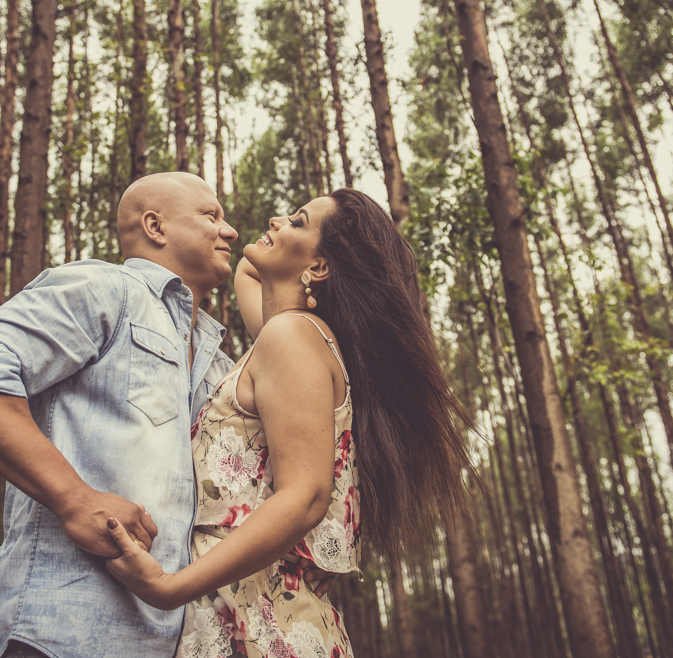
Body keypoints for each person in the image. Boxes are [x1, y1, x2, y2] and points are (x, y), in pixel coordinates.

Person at [104, 188, 471, 658]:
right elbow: (247, 269)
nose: (277, 220)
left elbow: (306, 496)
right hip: (264, 613)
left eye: (297, 221)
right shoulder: (290, 336)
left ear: (319, 266)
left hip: (260, 622)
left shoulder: (290, 336)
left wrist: (168, 587)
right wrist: (275, 256)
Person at [0, 172, 246, 658]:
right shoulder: (106, 288)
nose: (230, 230)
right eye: (211, 215)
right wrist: (74, 499)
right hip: (57, 634)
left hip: (169, 644)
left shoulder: (219, 362)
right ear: (155, 227)